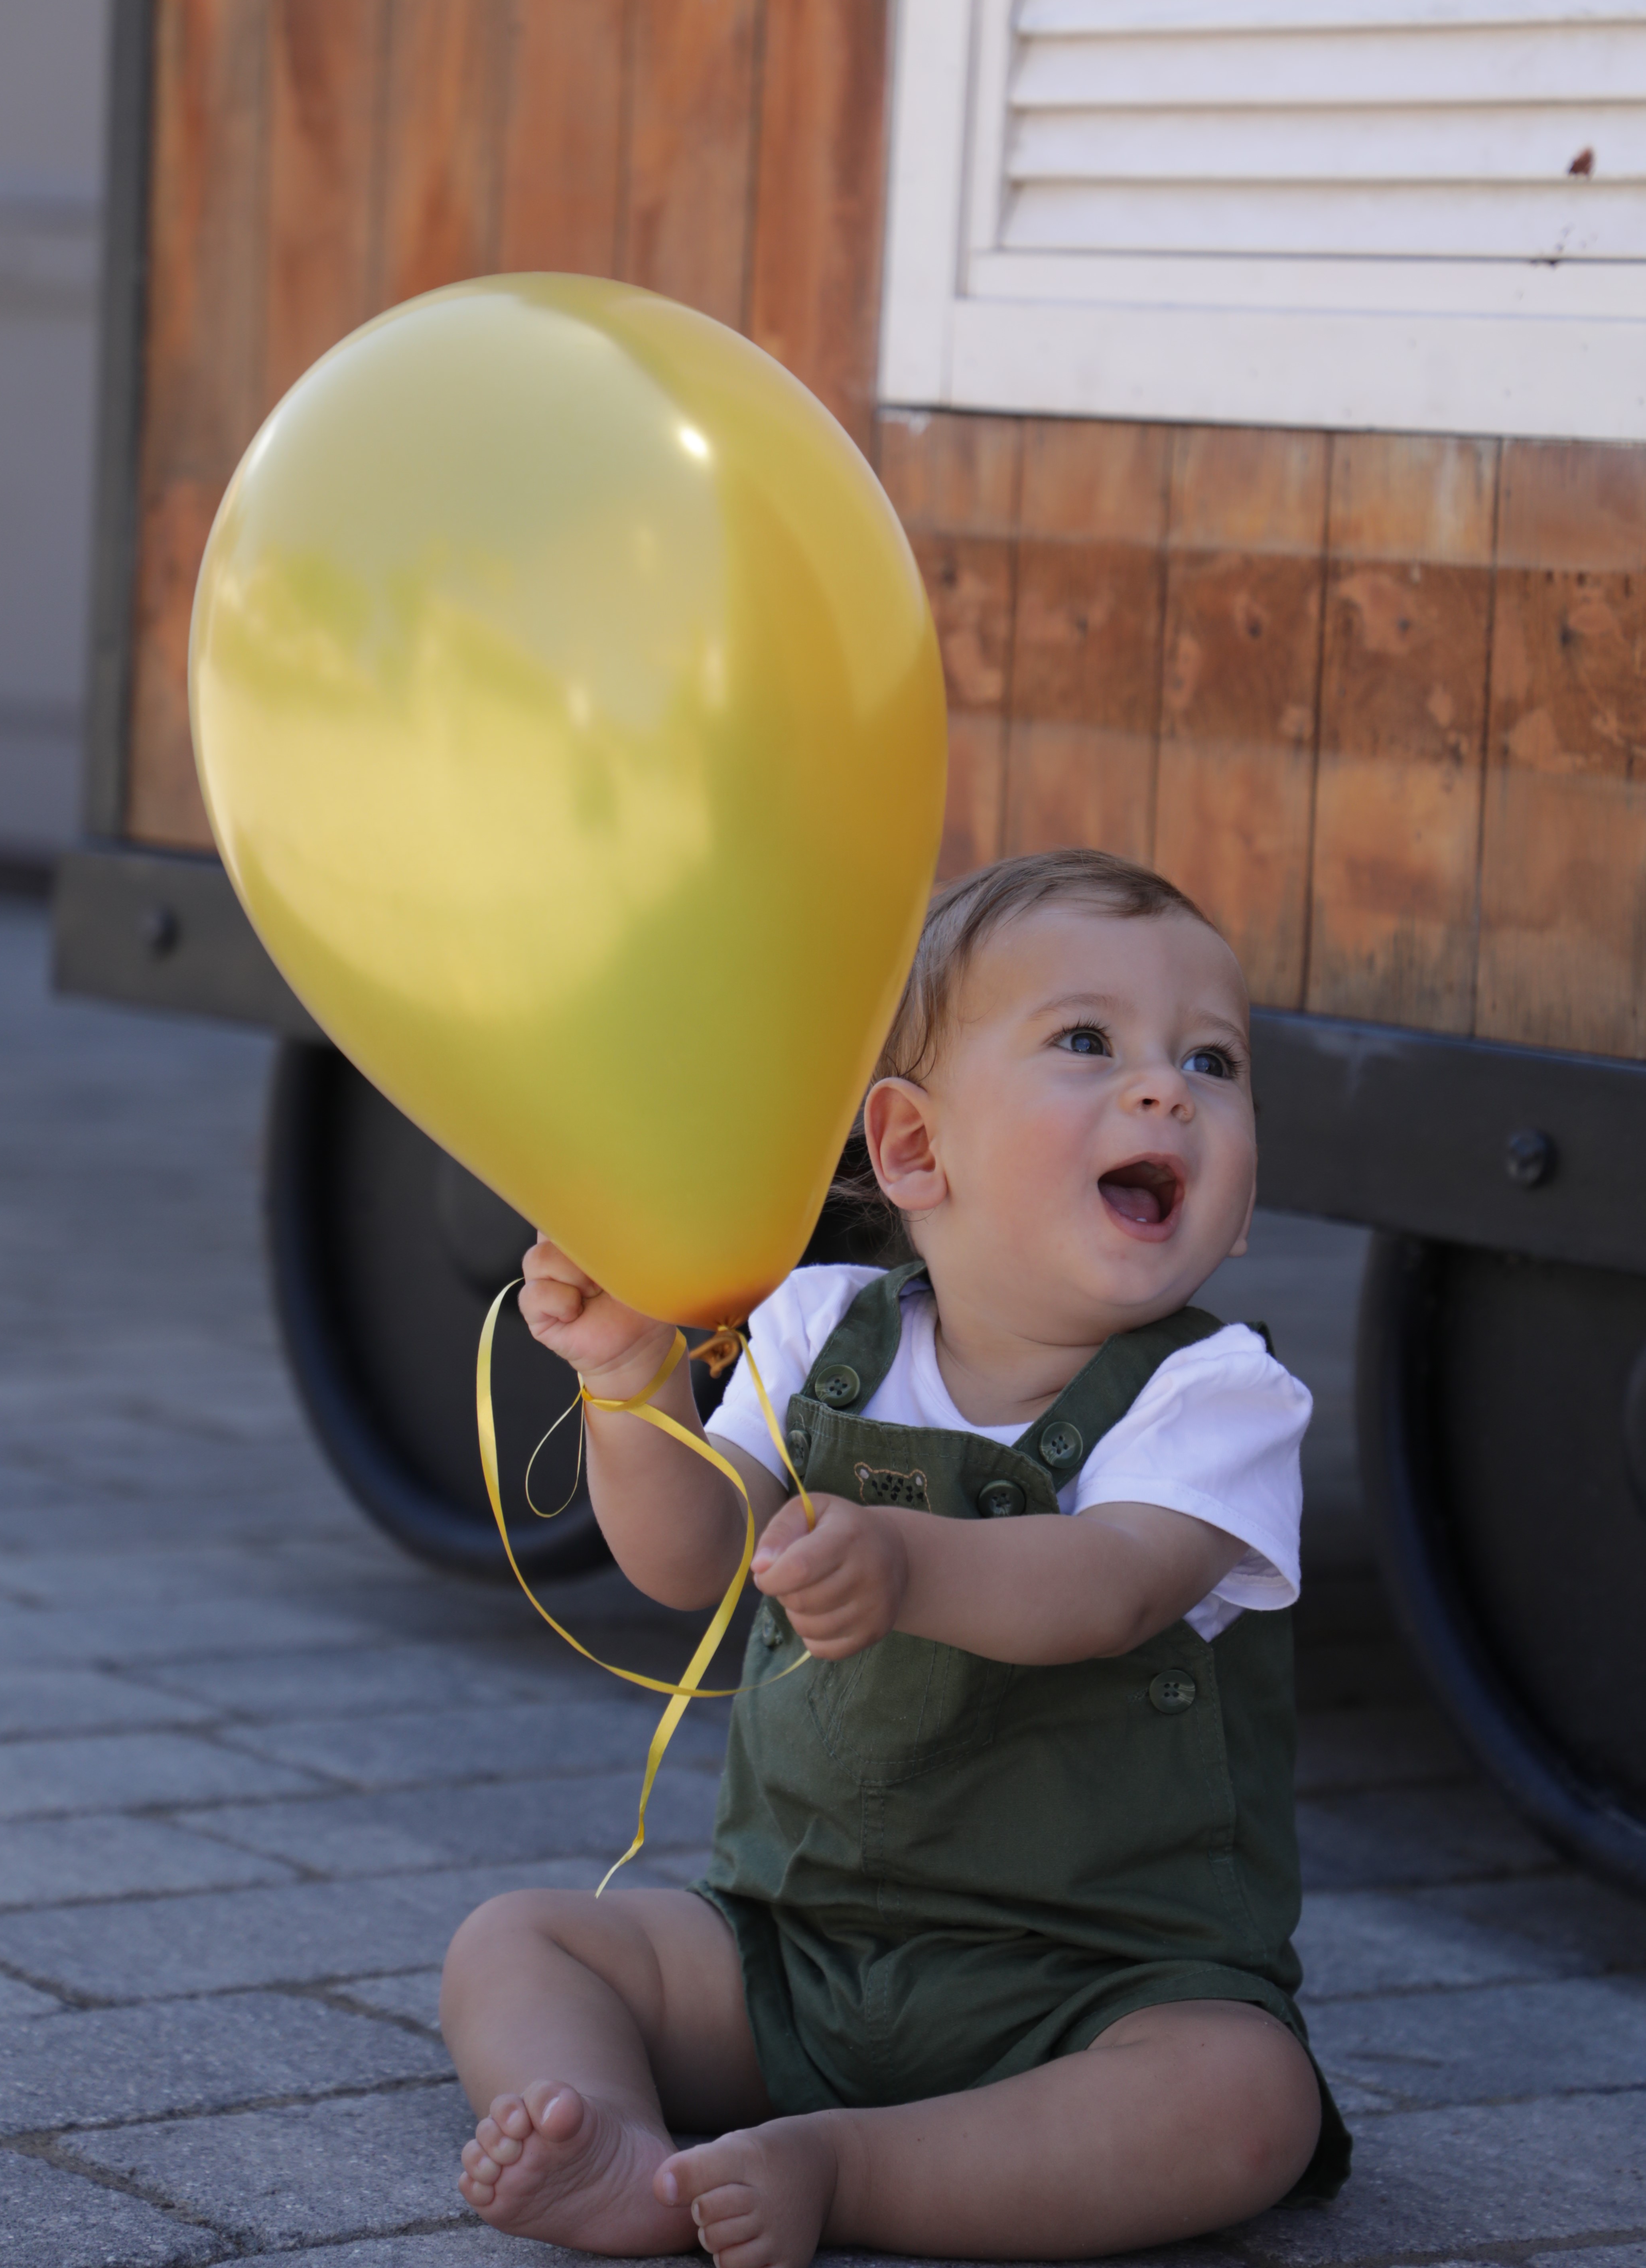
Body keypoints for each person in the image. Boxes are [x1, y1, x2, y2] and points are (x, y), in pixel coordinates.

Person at [442, 847, 1350, 2264]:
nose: (1167, 1086)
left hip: (1094, 1986)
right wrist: (631, 1387)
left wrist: (910, 1565)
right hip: (793, 1954)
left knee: (1246, 2103)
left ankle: (844, 2170)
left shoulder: (1215, 1397)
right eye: (1088, 1043)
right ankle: (604, 2141)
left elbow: (1112, 1588)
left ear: (1234, 1201)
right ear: (916, 1149)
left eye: (1214, 1062)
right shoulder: (818, 1330)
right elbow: (688, 1560)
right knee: (516, 1943)